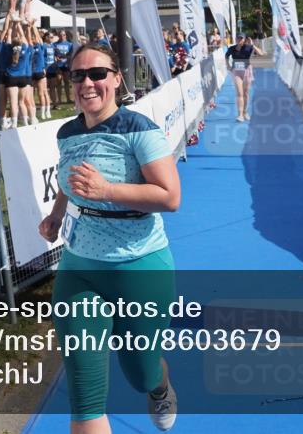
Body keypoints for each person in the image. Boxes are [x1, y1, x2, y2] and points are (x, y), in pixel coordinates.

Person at [38, 43, 181, 432]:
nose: (88, 82)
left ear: (116, 79)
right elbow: (71, 179)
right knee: (84, 394)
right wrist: (55, 214)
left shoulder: (138, 129)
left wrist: (108, 191)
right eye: (78, 75)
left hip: (139, 265)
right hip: (79, 268)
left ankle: (160, 385)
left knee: (140, 372)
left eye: (98, 73)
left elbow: (170, 197)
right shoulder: (67, 132)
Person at [225, 34, 264, 122]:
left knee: (246, 93)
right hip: (237, 71)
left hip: (247, 71)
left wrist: (253, 45)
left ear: (244, 39)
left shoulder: (248, 47)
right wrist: (228, 65)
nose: (239, 40)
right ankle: (240, 115)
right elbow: (226, 56)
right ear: (235, 39)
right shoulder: (232, 48)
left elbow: (261, 54)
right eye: (237, 38)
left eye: (241, 38)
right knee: (239, 93)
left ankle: (245, 112)